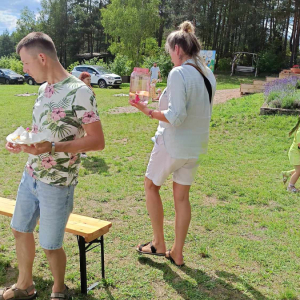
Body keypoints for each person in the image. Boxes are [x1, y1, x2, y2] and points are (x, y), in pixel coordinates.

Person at [1, 32, 105, 300]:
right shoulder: (42, 89)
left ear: (42, 57)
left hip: (58, 183)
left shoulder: (80, 92)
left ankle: (59, 291)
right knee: (19, 228)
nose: (23, 69)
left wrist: (54, 148)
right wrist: (23, 143)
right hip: (31, 174)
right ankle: (25, 285)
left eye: (25, 63)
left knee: (50, 244)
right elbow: (42, 133)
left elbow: (97, 141)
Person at [130, 21, 216, 266]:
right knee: (181, 198)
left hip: (172, 144)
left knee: (150, 186)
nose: (170, 57)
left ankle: (158, 243)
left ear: (177, 48)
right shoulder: (207, 74)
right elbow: (194, 108)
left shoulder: (178, 72)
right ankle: (177, 252)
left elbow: (175, 117)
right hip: (195, 147)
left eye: (170, 52)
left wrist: (147, 111)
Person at [78, 72, 96, 158]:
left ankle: (82, 151)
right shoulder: (80, 89)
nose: (89, 81)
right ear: (82, 80)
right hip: (81, 113)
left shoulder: (88, 88)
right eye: (87, 79)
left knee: (86, 132)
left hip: (89, 113)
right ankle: (81, 151)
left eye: (90, 80)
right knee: (81, 132)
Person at [282, 116, 300, 192]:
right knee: (299, 171)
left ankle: (287, 173)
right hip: (295, 154)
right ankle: (290, 187)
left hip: (296, 153)